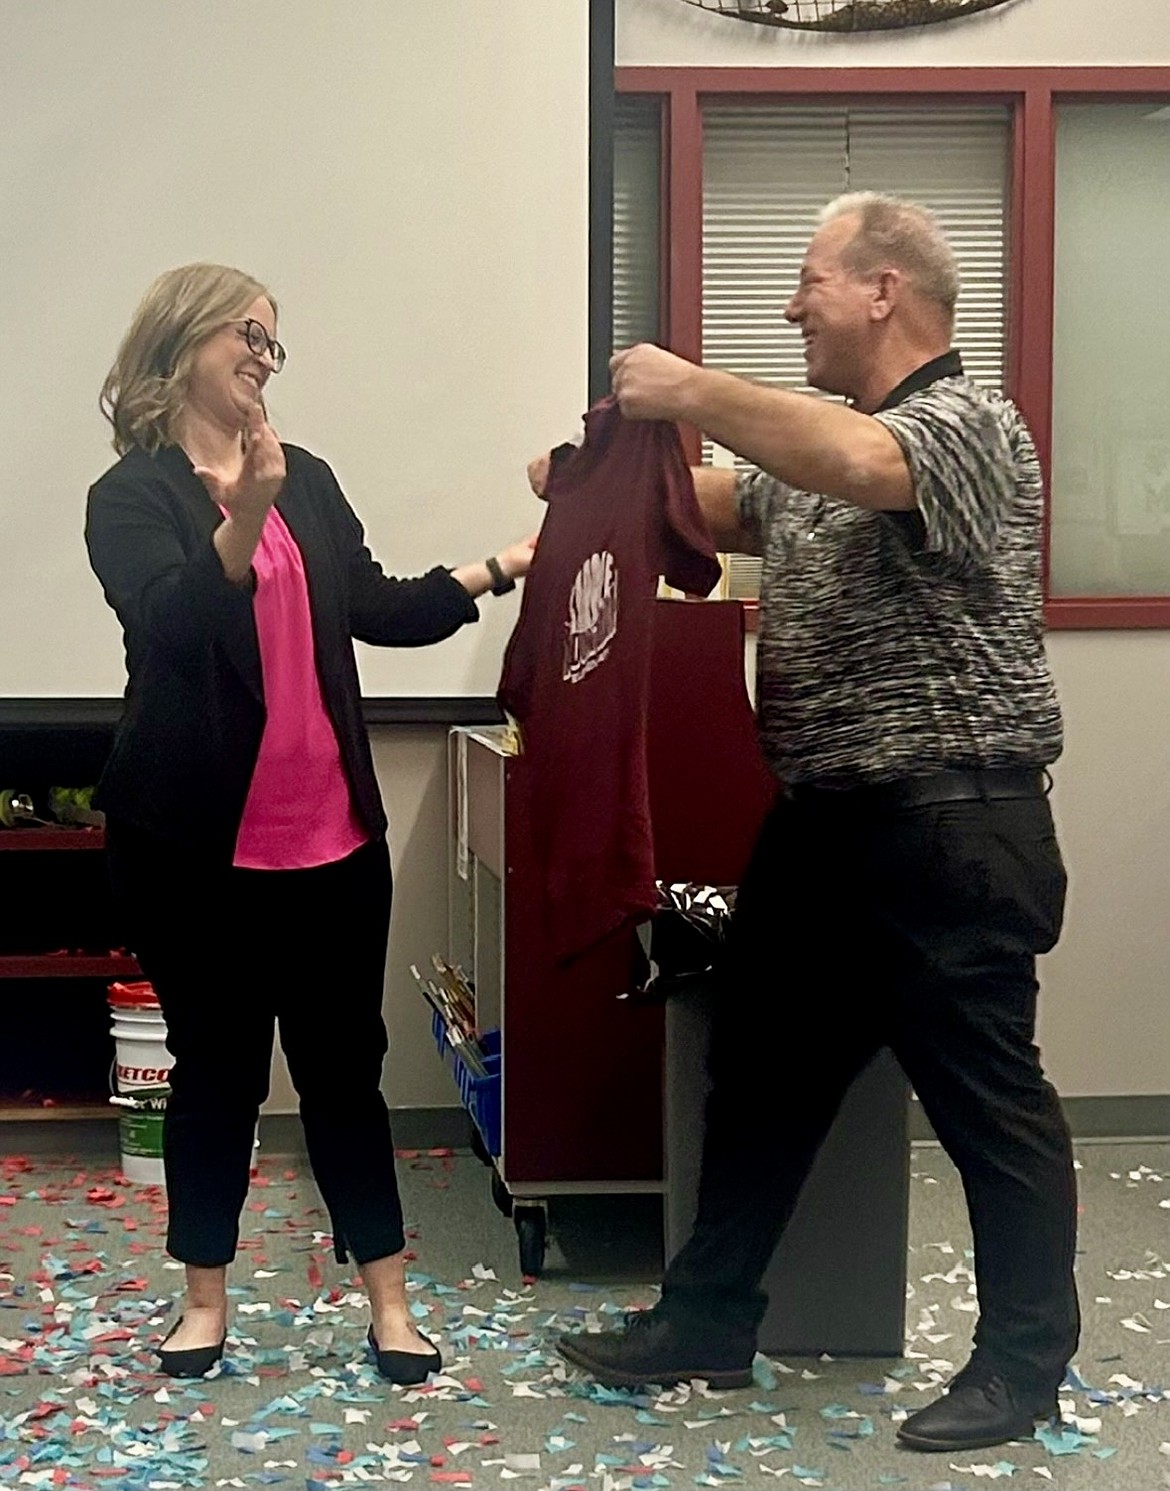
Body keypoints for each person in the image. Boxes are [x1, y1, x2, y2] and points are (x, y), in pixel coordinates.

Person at [540, 193, 1079, 1454]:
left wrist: (687, 388)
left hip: (951, 823)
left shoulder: (965, 424)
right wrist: (590, 482)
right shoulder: (818, 458)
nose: (792, 307)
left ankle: (1023, 1368)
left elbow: (853, 464)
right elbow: (718, 508)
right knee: (761, 1083)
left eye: (809, 282)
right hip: (826, 827)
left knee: (989, 1103)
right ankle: (707, 1324)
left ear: (884, 289)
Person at [86, 263, 537, 1385]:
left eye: (273, 343)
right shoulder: (132, 496)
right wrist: (241, 512)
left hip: (333, 844)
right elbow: (176, 625)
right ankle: (203, 1301)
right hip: (197, 851)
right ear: (184, 339)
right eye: (248, 333)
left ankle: (389, 1302)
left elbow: (376, 604)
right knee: (218, 1073)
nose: (263, 357)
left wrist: (499, 568)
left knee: (346, 1073)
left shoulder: (311, 480)